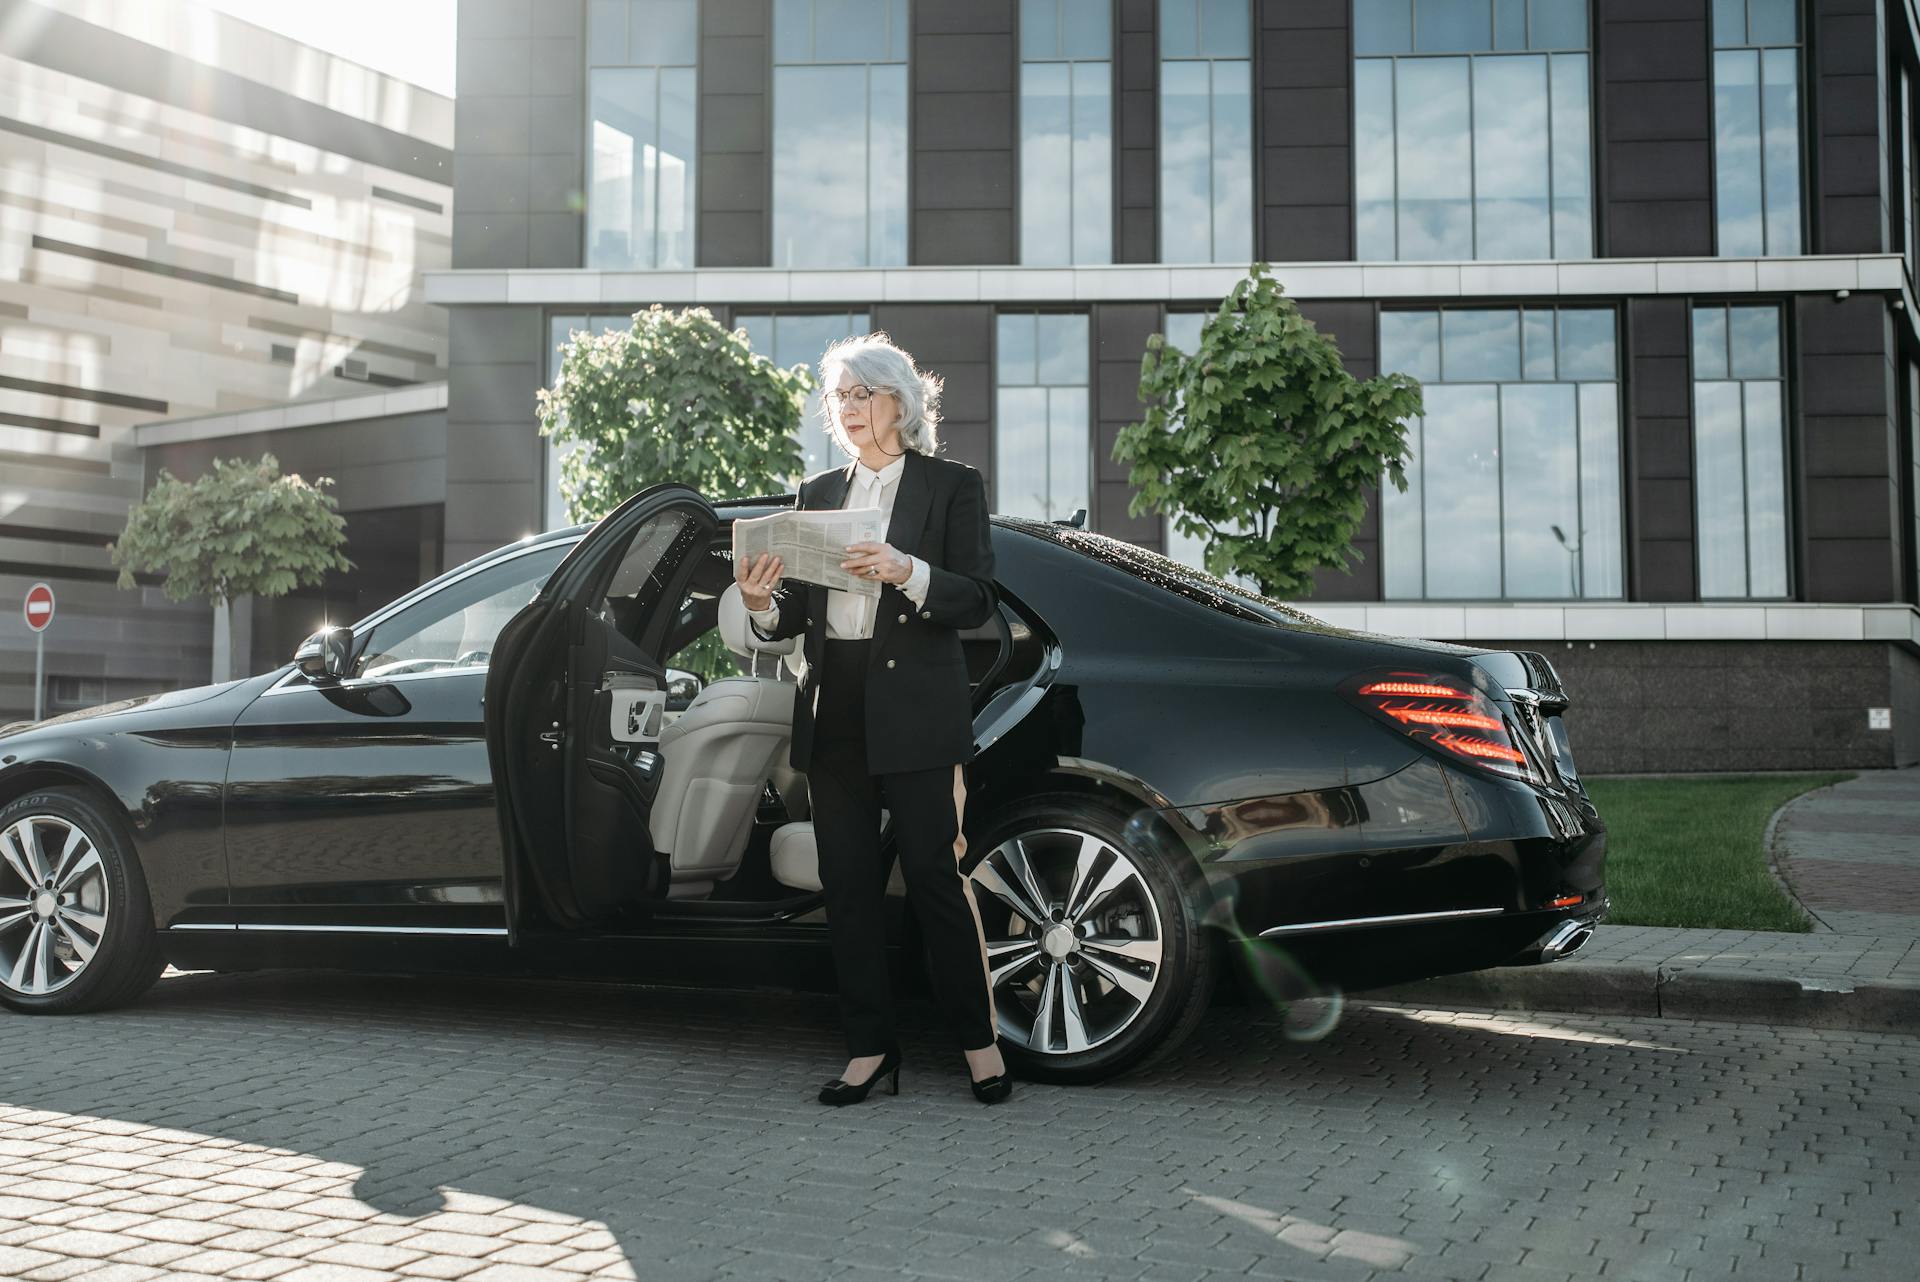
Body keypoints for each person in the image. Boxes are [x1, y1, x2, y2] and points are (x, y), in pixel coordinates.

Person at [735, 332, 1011, 1106]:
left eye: (862, 394)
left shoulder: (952, 485)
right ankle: (870, 1052)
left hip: (917, 708)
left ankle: (979, 1044)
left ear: (901, 401)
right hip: (836, 707)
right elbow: (791, 614)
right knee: (848, 885)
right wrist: (761, 605)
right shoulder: (818, 491)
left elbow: (979, 601)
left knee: (932, 877)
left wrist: (906, 571)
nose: (848, 409)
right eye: (839, 397)